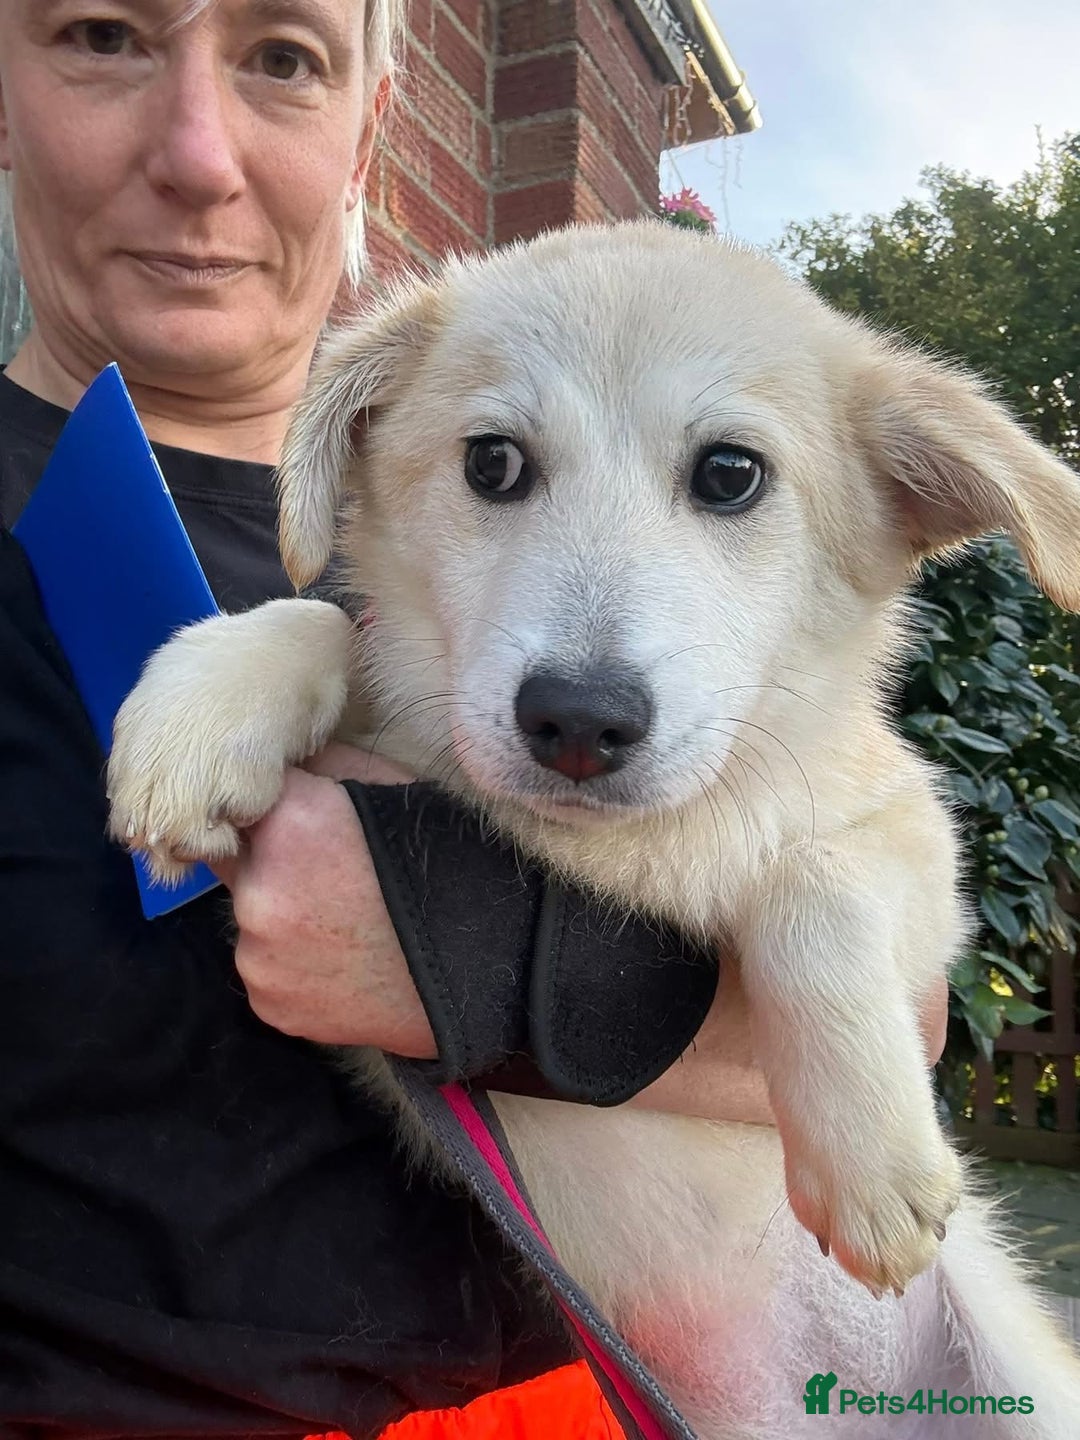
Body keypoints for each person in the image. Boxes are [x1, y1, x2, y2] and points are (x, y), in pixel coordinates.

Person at [0, 2, 948, 1434]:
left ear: (371, 124)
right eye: (102, 35)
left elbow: (905, 1022)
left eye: (282, 57)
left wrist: (469, 961)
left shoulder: (599, 588)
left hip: (604, 1399)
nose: (198, 153)